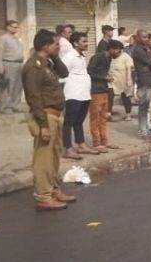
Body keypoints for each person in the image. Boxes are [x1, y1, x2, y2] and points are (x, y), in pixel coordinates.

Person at [22, 30, 74, 211]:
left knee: (53, 156)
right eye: (55, 44)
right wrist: (43, 125)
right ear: (45, 46)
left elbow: (64, 72)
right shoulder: (33, 67)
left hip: (55, 115)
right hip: (45, 116)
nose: (58, 47)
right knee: (43, 158)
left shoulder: (48, 63)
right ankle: (43, 195)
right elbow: (34, 97)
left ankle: (53, 190)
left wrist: (56, 57)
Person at [59, 32, 94, 161]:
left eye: (86, 41)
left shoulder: (81, 56)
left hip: (84, 93)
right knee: (69, 121)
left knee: (79, 121)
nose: (87, 44)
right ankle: (67, 148)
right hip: (73, 93)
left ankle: (81, 144)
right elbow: (61, 74)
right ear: (75, 43)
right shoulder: (69, 57)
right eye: (84, 41)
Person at [86, 39, 124, 152]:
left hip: (104, 90)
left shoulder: (108, 58)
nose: (119, 54)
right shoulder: (98, 57)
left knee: (103, 117)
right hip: (95, 91)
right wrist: (104, 77)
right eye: (118, 51)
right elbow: (89, 72)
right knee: (95, 118)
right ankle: (96, 143)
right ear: (112, 49)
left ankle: (104, 141)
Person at [0, 20, 25, 113]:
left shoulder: (17, 39)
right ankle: (6, 107)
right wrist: (1, 68)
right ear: (8, 27)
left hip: (19, 63)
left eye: (17, 27)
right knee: (8, 86)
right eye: (14, 27)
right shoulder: (3, 38)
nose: (16, 29)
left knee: (18, 86)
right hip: (9, 63)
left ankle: (15, 105)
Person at [108, 35, 135, 120]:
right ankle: (108, 114)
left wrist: (129, 80)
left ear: (120, 49)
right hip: (112, 80)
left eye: (116, 49)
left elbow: (129, 68)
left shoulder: (125, 56)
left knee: (125, 97)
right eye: (113, 49)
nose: (114, 51)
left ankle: (128, 114)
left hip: (123, 79)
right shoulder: (109, 57)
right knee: (110, 96)